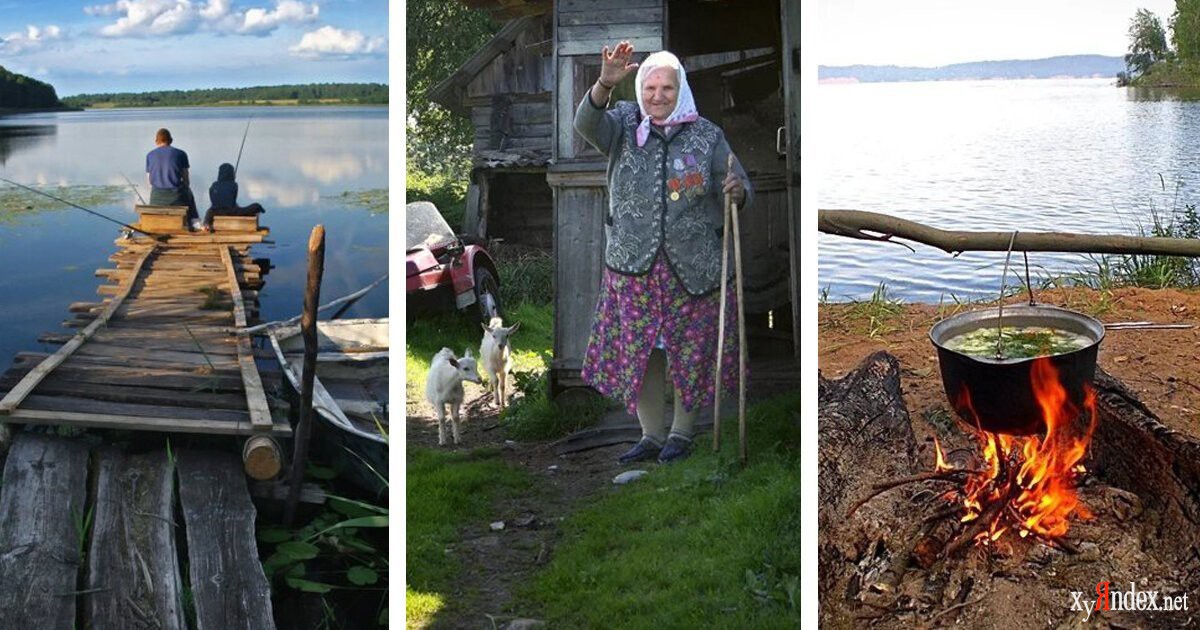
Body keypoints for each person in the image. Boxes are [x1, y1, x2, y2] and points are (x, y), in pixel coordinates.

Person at [574, 41, 752, 464]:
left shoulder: (707, 136)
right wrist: (604, 83)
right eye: (650, 87)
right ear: (639, 89)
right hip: (633, 266)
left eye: (666, 89)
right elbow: (585, 124)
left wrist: (737, 191)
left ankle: (682, 433)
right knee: (642, 352)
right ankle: (651, 435)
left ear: (680, 89)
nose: (657, 96)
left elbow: (740, 184)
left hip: (693, 269)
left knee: (688, 352)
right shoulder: (620, 124)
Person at [145, 127, 198, 228]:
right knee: (189, 192)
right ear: (171, 140)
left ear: (156, 141)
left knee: (154, 191)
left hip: (156, 199)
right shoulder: (181, 154)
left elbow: (149, 183)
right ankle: (194, 223)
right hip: (176, 197)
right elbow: (186, 180)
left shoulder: (149, 155)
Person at [201, 162, 265, 232]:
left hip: (215, 211)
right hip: (230, 211)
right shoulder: (234, 185)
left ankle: (206, 225)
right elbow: (232, 200)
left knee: (209, 211)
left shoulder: (213, 186)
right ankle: (258, 209)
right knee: (255, 206)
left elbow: (214, 201)